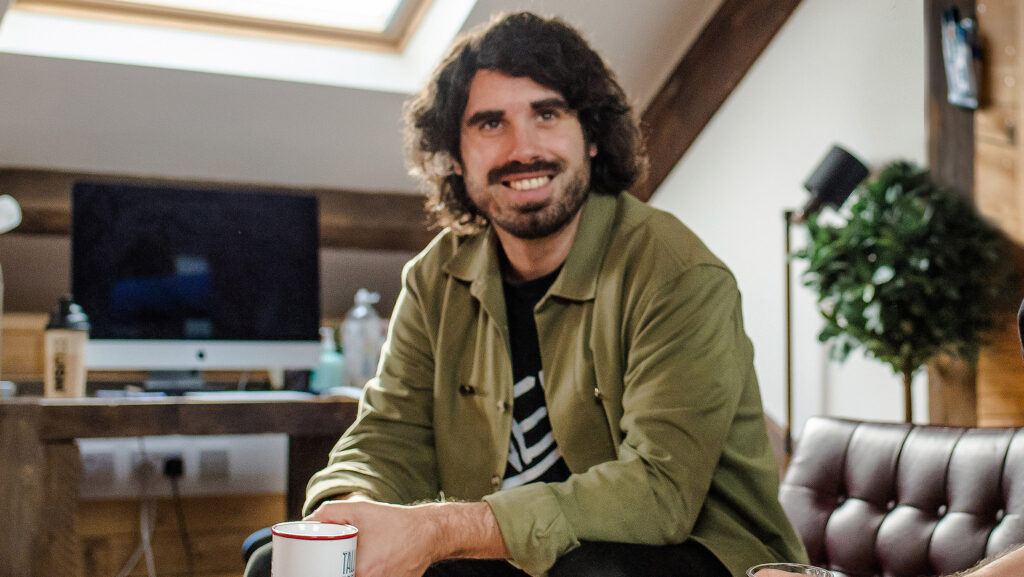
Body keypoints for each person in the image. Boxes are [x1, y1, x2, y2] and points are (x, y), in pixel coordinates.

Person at [246, 11, 805, 577]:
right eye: (490, 124)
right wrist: (350, 515)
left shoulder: (678, 273)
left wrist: (438, 529)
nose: (523, 147)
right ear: (457, 158)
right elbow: (386, 437)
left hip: (697, 551)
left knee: (585, 574)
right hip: (507, 548)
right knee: (280, 563)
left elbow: (659, 495)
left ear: (589, 137)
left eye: (547, 113)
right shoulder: (433, 277)